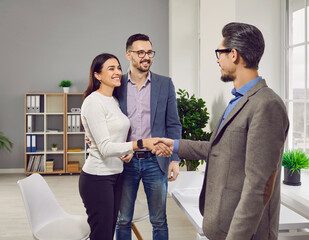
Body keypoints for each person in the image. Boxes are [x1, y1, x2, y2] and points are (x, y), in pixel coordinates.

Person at [153, 22, 289, 240]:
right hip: (223, 224)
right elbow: (225, 149)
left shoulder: (266, 104)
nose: (218, 59)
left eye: (220, 52)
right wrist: (175, 145)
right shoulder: (239, 99)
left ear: (233, 54)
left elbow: (259, 185)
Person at [79, 53, 171, 240]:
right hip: (98, 178)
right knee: (102, 234)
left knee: (109, 230)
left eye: (118, 68)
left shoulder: (113, 100)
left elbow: (113, 138)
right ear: (97, 75)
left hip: (116, 175)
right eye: (111, 68)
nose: (117, 72)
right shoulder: (93, 102)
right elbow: (104, 148)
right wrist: (141, 144)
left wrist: (126, 152)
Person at [114, 33, 182, 240]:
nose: (146, 57)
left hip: (156, 161)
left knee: (159, 221)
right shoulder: (117, 84)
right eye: (140, 52)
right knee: (123, 219)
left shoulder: (165, 84)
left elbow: (173, 123)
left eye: (149, 52)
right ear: (128, 55)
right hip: (126, 161)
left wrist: (175, 159)